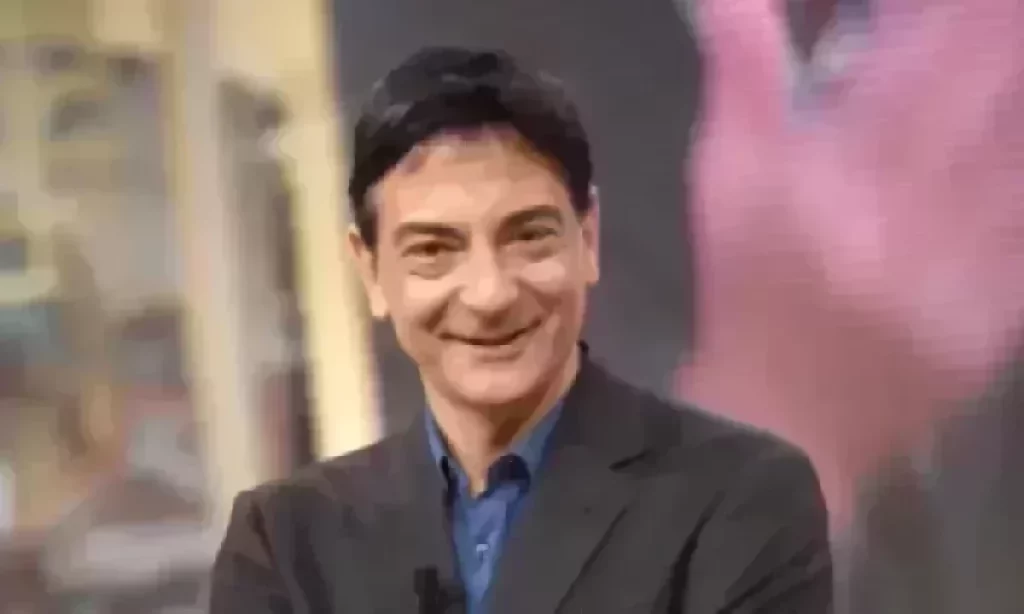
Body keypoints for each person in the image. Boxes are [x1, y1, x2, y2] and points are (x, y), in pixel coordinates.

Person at [208, 46, 833, 614]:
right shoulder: (287, 541)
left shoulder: (738, 496)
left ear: (588, 239)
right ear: (370, 271)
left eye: (529, 237)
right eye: (434, 250)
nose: (491, 294)